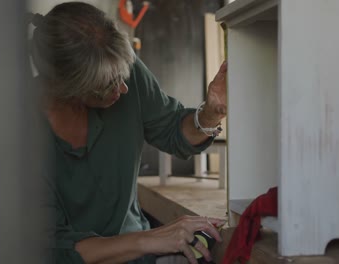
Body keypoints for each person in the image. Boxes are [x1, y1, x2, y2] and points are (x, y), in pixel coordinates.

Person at [28, 2, 227, 264]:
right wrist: (150, 239)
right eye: (108, 84)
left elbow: (172, 129)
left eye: (123, 76)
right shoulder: (16, 134)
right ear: (66, 89)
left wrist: (211, 112)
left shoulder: (123, 72)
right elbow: (53, 250)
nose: (123, 89)